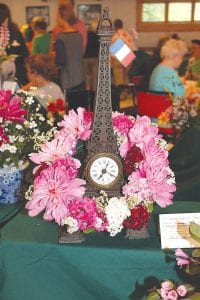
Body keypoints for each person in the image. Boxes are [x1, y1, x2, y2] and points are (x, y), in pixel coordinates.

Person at [54, 6, 85, 93]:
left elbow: (60, 61)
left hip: (67, 80)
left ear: (62, 18)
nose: (56, 19)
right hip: (80, 78)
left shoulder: (61, 37)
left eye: (57, 16)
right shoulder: (79, 35)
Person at [0, 3, 29, 86]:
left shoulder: (13, 33)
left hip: (13, 73)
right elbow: (25, 53)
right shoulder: (15, 32)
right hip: (17, 73)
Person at [111, 19, 135, 86]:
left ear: (115, 26)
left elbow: (112, 53)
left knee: (119, 81)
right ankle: (126, 95)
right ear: (122, 25)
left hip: (118, 59)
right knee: (126, 78)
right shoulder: (128, 35)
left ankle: (120, 95)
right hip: (128, 57)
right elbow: (133, 48)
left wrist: (111, 63)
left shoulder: (114, 36)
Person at [83, 20, 99, 91]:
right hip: (95, 58)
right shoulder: (97, 36)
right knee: (95, 76)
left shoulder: (86, 35)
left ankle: (87, 89)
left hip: (85, 58)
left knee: (87, 75)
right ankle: (94, 92)